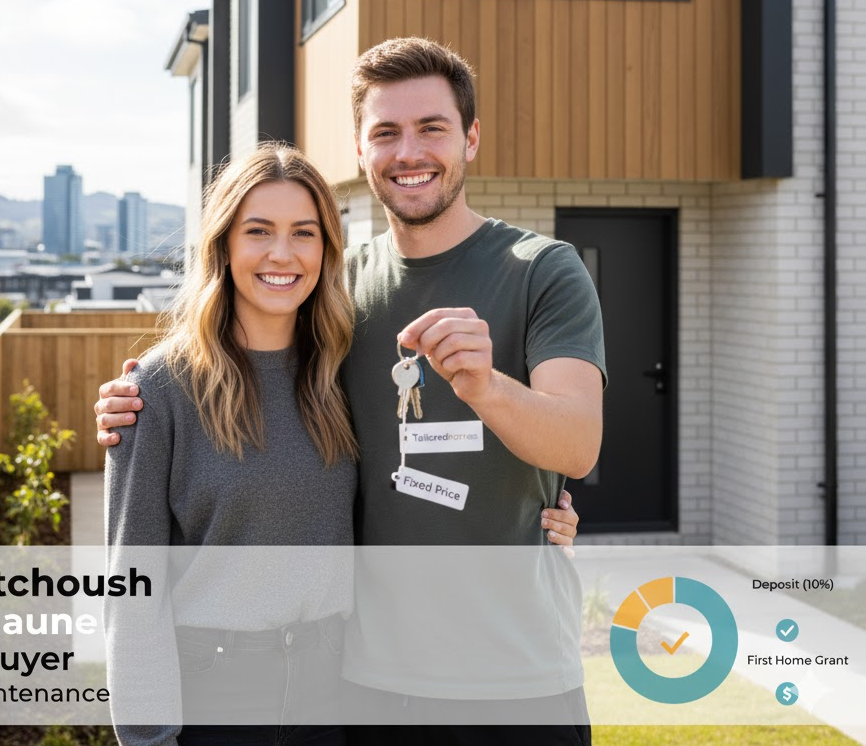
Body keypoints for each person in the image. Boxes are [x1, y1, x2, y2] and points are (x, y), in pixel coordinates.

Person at [99, 37, 603, 744]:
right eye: (386, 132)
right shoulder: (335, 296)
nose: (410, 152)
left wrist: (488, 391)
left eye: (433, 128)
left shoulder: (541, 270)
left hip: (517, 681)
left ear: (472, 137)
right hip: (364, 688)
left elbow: (577, 446)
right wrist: (143, 401)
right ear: (361, 151)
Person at [104, 143, 361, 746]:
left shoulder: (344, 372)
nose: (282, 253)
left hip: (333, 692)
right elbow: (131, 587)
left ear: (326, 250)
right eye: (258, 231)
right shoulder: (159, 391)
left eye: (304, 232)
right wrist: (147, 736)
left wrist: (543, 509)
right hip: (214, 693)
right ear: (222, 245)